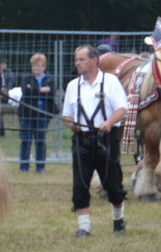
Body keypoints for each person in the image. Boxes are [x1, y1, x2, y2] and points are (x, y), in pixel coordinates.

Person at [61, 44, 129, 235]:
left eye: (81, 59)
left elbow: (122, 109)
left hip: (106, 139)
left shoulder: (111, 82)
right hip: (81, 140)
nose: (77, 63)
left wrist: (109, 122)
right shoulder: (72, 86)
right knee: (80, 185)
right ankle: (84, 227)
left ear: (94, 60)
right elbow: (67, 115)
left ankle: (118, 221)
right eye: (76, 59)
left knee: (113, 186)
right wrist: (71, 124)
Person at [15, 53, 55, 172]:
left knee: (40, 141)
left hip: (42, 115)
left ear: (44, 67)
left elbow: (52, 93)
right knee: (25, 140)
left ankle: (40, 166)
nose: (36, 68)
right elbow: (25, 92)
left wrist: (33, 90)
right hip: (26, 114)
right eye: (34, 66)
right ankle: (24, 166)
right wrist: (41, 90)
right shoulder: (26, 78)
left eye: (39, 66)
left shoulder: (50, 79)